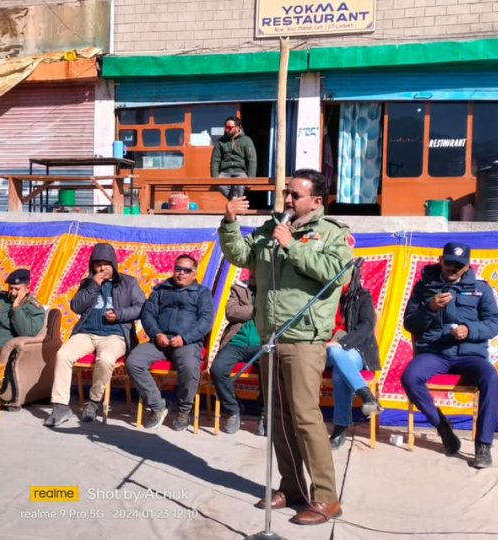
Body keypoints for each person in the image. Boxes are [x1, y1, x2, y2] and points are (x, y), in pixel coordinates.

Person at [218, 169, 353, 525]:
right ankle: (292, 486)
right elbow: (240, 256)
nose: (288, 200)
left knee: (306, 418)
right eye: (286, 194)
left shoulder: (331, 234)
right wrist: (230, 222)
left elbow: (340, 274)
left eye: (295, 195)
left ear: (316, 201)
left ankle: (326, 498)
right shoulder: (271, 228)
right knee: (277, 417)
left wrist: (292, 247)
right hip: (271, 338)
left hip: (304, 339)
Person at [401, 242, 498, 469]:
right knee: (410, 377)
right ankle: (442, 426)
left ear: (467, 267)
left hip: (470, 355)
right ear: (441, 260)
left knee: (492, 380)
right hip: (435, 352)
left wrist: (470, 330)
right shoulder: (424, 288)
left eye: (459, 265)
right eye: (449, 263)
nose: (453, 268)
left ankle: (483, 446)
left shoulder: (481, 289)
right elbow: (409, 323)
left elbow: (495, 323)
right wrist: (429, 308)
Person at [45, 243, 145, 427]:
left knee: (106, 359)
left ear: (113, 264)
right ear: (92, 266)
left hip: (115, 336)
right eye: (98, 264)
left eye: (106, 264)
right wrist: (93, 286)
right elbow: (76, 307)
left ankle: (93, 402)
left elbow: (141, 307)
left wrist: (119, 315)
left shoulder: (128, 282)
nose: (102, 268)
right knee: (63, 355)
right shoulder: (87, 283)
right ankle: (60, 406)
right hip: (86, 334)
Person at [126, 254, 214, 431]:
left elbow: (206, 321)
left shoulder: (202, 293)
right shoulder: (161, 289)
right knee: (133, 361)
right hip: (160, 341)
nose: (181, 273)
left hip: (187, 342)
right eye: (178, 269)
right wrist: (156, 333)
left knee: (190, 366)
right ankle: (158, 405)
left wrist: (186, 338)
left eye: (186, 270)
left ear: (194, 272)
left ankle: (183, 411)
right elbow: (148, 314)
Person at [326, 263, 382, 450]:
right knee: (334, 356)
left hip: (355, 350)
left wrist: (342, 344)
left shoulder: (362, 297)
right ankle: (366, 396)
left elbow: (366, 327)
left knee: (339, 372)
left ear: (353, 276)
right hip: (323, 350)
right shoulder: (323, 297)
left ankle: (340, 427)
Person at [208, 275, 261, 434]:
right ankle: (232, 409)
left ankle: (264, 414)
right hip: (236, 342)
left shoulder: (275, 289)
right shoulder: (239, 287)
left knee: (271, 369)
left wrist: (245, 309)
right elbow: (231, 312)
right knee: (217, 369)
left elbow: (277, 315)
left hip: (262, 344)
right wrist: (258, 309)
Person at [211, 116, 257, 201]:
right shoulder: (220, 142)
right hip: (224, 172)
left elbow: (252, 160)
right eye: (225, 127)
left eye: (229, 127)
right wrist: (215, 177)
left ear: (237, 127)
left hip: (240, 172)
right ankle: (235, 204)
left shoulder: (246, 140)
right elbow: (215, 160)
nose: (226, 130)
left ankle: (233, 205)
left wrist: (251, 179)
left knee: (239, 186)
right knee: (220, 185)